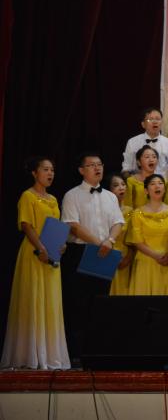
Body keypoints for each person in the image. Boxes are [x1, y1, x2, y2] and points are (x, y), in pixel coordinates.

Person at [1, 157, 69, 370]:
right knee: (33, 299)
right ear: (34, 173)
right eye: (46, 169)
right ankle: (29, 354)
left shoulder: (53, 199)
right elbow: (26, 225)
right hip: (34, 253)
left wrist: (61, 245)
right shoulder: (27, 196)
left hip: (51, 256)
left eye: (52, 170)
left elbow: (57, 226)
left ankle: (50, 354)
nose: (50, 174)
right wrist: (40, 248)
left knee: (50, 302)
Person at [60, 152, 125, 362]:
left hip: (105, 251)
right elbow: (73, 225)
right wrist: (100, 243)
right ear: (81, 170)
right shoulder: (72, 195)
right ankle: (77, 354)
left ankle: (98, 352)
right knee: (79, 304)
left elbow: (118, 222)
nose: (97, 168)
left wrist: (110, 241)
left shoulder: (110, 196)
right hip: (81, 253)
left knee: (101, 303)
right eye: (91, 165)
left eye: (99, 164)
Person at [127, 174, 168, 295]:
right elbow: (137, 241)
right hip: (145, 262)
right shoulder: (137, 213)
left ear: (164, 189)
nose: (157, 186)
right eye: (153, 184)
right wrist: (156, 256)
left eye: (160, 183)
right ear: (146, 191)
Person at [121, 107, 168, 178]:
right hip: (139, 182)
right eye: (150, 119)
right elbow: (126, 168)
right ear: (143, 124)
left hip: (162, 183)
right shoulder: (132, 142)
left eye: (158, 119)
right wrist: (132, 181)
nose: (155, 122)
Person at [107, 174, 133, 295]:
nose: (121, 188)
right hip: (106, 255)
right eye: (116, 185)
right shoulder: (104, 210)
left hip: (125, 258)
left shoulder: (131, 211)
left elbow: (133, 238)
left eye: (123, 184)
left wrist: (128, 258)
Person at [125, 145, 159, 209]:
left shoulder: (162, 181)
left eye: (154, 157)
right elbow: (127, 206)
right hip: (137, 215)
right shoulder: (131, 181)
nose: (151, 160)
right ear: (138, 162)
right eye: (147, 157)